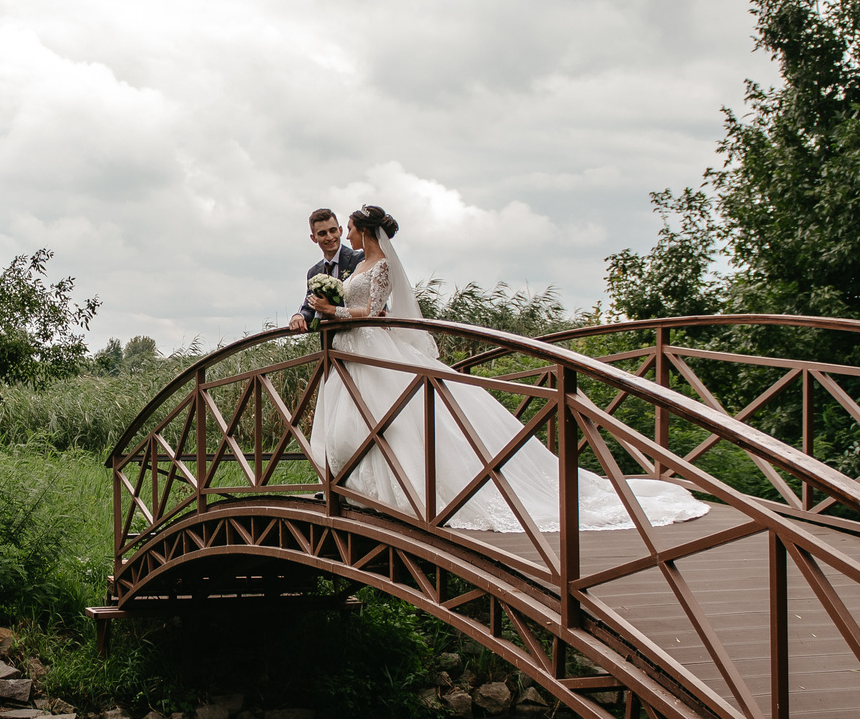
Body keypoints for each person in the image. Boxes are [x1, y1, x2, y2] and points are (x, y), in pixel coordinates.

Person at [303, 204, 711, 533]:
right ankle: (358, 491)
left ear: (363, 231)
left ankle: (409, 494)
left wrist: (333, 310)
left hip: (372, 349)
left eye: (350, 227)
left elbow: (374, 311)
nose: (346, 234)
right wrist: (321, 313)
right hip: (349, 353)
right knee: (355, 423)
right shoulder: (354, 265)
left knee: (394, 420)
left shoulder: (382, 266)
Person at [287, 207, 363, 332]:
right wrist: (298, 316)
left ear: (340, 230)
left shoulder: (359, 260)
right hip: (329, 342)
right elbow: (309, 307)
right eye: (322, 233)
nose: (329, 237)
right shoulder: (314, 272)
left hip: (358, 334)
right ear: (313, 238)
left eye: (332, 231)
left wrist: (329, 308)